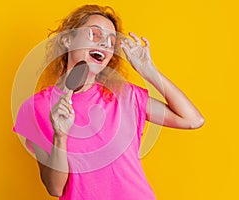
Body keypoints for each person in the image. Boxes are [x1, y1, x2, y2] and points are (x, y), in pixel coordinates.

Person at [13, 4, 204, 200]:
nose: (104, 43)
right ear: (68, 40)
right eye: (94, 35)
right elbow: (55, 189)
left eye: (111, 42)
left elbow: (192, 120)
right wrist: (60, 136)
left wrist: (149, 71)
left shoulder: (125, 95)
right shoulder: (36, 108)